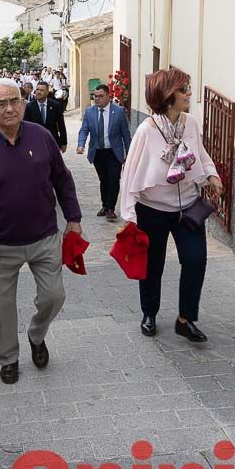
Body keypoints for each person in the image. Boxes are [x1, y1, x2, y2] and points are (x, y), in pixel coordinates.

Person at [0, 78, 82, 385]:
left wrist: (74, 216)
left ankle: (36, 335)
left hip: (44, 237)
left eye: (14, 100)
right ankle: (8, 358)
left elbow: (62, 179)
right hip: (0, 244)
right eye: (1, 103)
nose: (10, 108)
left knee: (54, 296)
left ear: (24, 102)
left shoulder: (41, 137)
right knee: (1, 306)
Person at [119, 68, 223, 341]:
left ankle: (184, 318)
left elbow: (199, 152)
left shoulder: (190, 123)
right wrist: (128, 212)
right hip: (152, 210)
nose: (189, 94)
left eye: (187, 88)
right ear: (167, 97)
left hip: (188, 205)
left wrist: (211, 174)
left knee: (196, 259)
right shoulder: (146, 130)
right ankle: (149, 312)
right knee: (153, 264)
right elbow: (130, 171)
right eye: (183, 90)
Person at [76, 84, 132, 220]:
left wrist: (130, 152)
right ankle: (105, 205)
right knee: (104, 179)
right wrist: (81, 144)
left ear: (108, 96)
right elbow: (84, 130)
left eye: (100, 96)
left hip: (114, 151)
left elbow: (125, 133)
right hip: (98, 152)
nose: (97, 99)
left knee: (113, 179)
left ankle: (111, 208)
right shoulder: (89, 112)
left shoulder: (118, 111)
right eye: (95, 96)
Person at [24, 81, 67, 152]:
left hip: (52, 142)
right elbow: (25, 127)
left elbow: (61, 125)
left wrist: (63, 143)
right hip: (35, 143)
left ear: (47, 92)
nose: (38, 92)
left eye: (42, 90)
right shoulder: (29, 107)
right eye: (37, 90)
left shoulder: (55, 106)